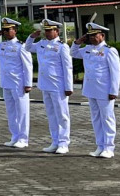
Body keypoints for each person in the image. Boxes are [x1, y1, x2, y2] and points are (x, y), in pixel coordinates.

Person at [71, 22, 120, 158]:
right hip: (91, 89)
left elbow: (116, 72)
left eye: (95, 35)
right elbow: (73, 53)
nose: (92, 38)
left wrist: (113, 91)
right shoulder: (87, 49)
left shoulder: (109, 51)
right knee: (96, 119)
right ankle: (100, 146)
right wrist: (78, 42)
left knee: (107, 118)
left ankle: (109, 147)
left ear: (102, 35)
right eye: (90, 35)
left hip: (104, 90)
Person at [25, 19, 73, 154]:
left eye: (49, 30)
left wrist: (68, 87)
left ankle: (64, 142)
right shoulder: (41, 44)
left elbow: (67, 67)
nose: (47, 33)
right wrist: (31, 37)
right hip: (45, 84)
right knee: (51, 115)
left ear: (56, 31)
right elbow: (27, 48)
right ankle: (55, 141)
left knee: (62, 115)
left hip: (58, 85)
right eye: (45, 30)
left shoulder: (62, 46)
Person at [0, 17, 33, 148]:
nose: (6, 32)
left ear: (15, 31)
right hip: (6, 83)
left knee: (22, 112)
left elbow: (28, 66)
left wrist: (28, 84)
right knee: (11, 111)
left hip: (19, 83)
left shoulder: (21, 47)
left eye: (8, 30)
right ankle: (15, 136)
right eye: (4, 30)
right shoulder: (2, 45)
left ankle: (23, 139)